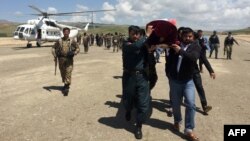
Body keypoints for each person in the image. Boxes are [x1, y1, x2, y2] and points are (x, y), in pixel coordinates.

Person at [166, 27, 200, 141]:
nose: (188, 38)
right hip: (175, 81)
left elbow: (192, 58)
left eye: (190, 36)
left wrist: (180, 50)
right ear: (182, 36)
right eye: (185, 36)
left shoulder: (196, 46)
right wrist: (169, 74)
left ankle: (189, 129)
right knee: (175, 104)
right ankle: (177, 121)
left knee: (191, 104)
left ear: (193, 37)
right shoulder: (175, 45)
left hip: (188, 81)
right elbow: (169, 61)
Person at [122, 25, 152, 139]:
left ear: (140, 35)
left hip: (142, 77)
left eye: (138, 34)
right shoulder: (126, 44)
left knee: (143, 103)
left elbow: (150, 60)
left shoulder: (143, 44)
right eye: (133, 34)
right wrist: (147, 36)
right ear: (129, 34)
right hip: (129, 77)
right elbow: (135, 47)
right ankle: (128, 109)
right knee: (128, 98)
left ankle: (138, 126)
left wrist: (150, 51)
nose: (135, 36)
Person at [52, 27, 80, 96]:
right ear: (63, 32)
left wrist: (74, 53)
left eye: (67, 32)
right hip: (61, 60)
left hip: (69, 60)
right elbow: (53, 48)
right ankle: (65, 83)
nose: (66, 33)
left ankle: (66, 87)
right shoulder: (59, 41)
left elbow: (78, 48)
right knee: (63, 73)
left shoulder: (72, 41)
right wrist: (55, 54)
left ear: (69, 33)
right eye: (65, 32)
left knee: (68, 73)